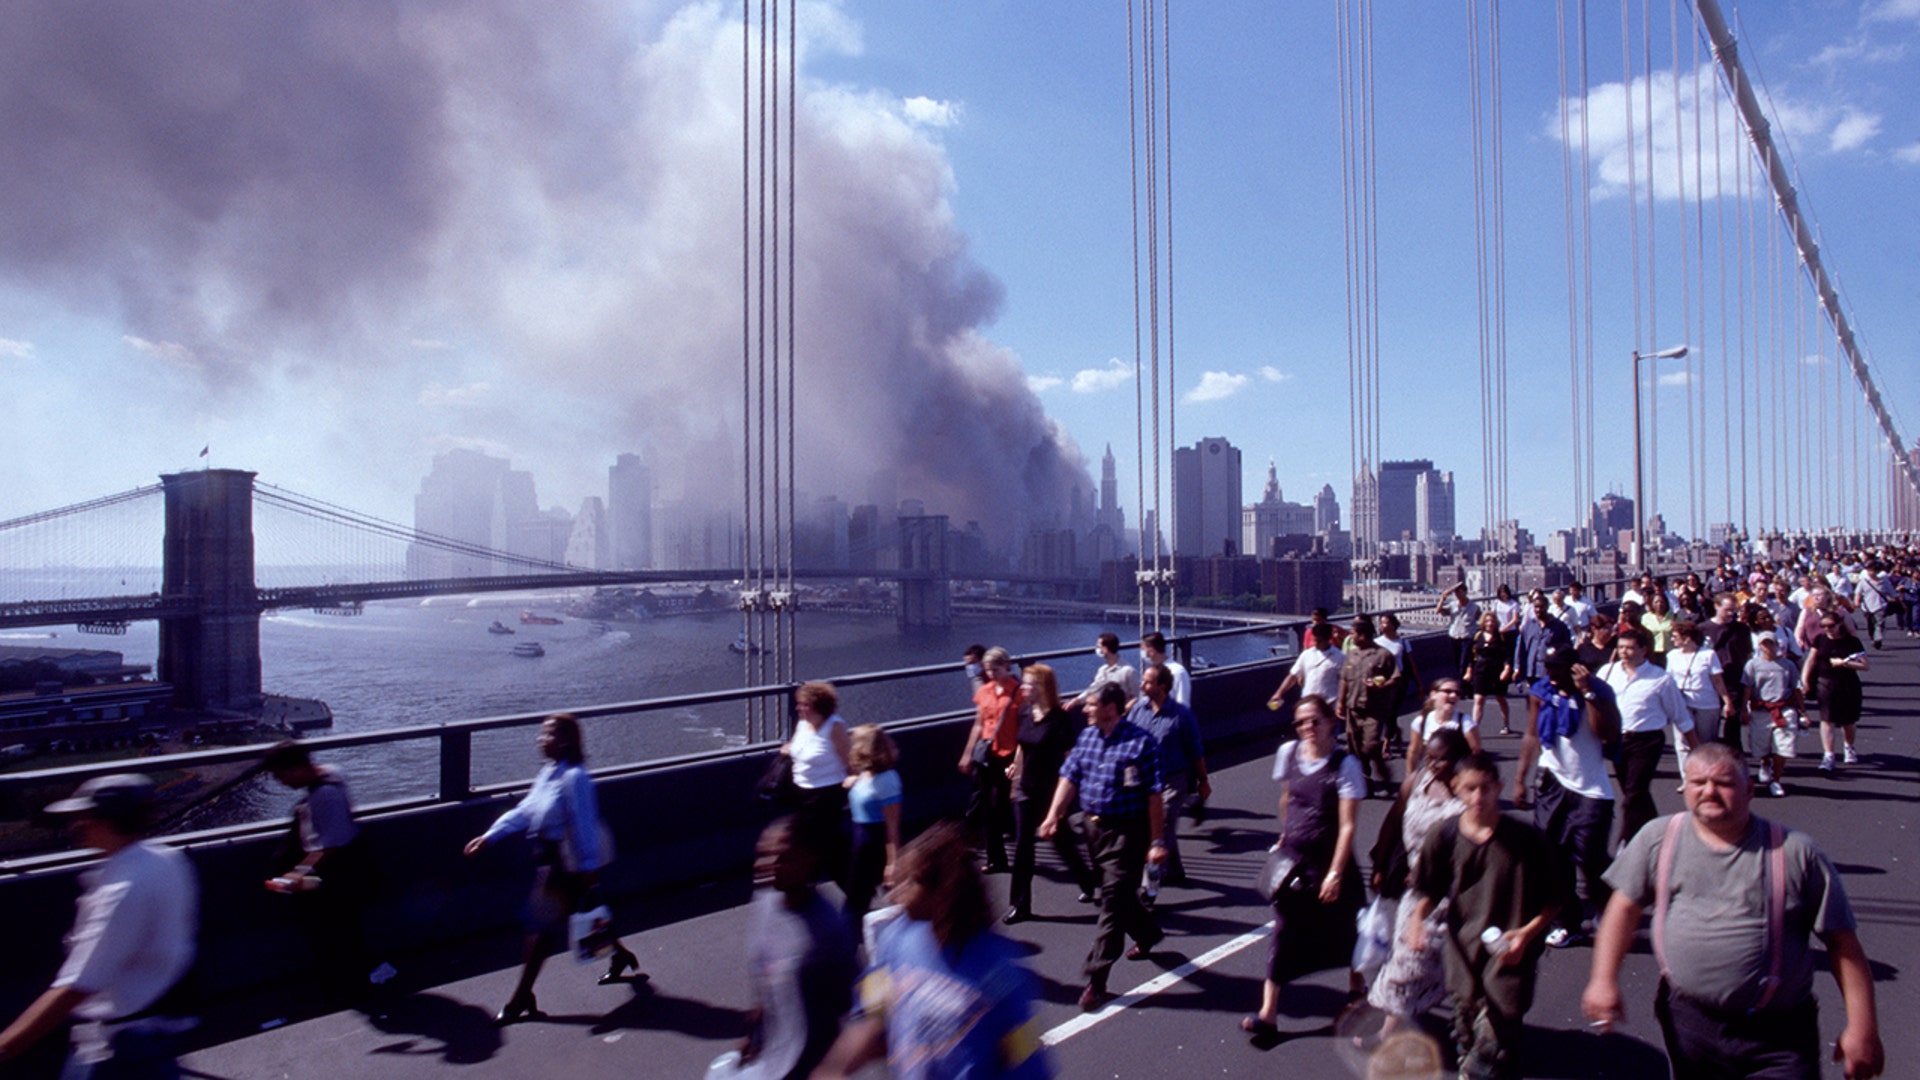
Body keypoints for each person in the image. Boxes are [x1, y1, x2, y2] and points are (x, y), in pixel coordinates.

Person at [1582, 743, 1885, 1080]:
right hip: (1689, 1023)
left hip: (1779, 1034)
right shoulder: (1658, 839)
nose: (1709, 792)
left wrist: (1862, 1027)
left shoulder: (1795, 852)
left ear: (1749, 790)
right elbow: (1622, 910)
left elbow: (1843, 944)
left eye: (1723, 783)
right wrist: (1603, 980)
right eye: (1698, 783)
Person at [812, 821, 1052, 1079]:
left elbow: (1028, 1064)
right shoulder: (895, 939)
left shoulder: (999, 973)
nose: (893, 897)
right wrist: (831, 1070)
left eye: (909, 883)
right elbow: (875, 1019)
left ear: (942, 892)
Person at [0, 774, 198, 1077]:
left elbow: (77, 986)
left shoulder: (122, 891)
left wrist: (6, 1046)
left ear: (110, 820)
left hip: (125, 1041)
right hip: (159, 1023)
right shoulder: (167, 860)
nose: (75, 825)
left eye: (84, 817)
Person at [464, 714, 642, 1024]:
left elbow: (584, 825)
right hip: (550, 861)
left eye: (545, 735)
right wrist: (490, 837)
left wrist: (588, 869)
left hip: (567, 865)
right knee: (588, 915)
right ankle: (621, 956)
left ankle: (521, 998)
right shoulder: (548, 774)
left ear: (563, 740)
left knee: (540, 929)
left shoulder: (576, 778)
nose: (539, 741)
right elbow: (524, 812)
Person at [1404, 753, 1559, 1080]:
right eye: (1469, 789)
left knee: (1483, 1060)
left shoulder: (1527, 841)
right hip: (1464, 963)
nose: (1478, 798)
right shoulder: (1443, 836)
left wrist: (1526, 935)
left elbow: (1554, 902)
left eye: (1486, 789)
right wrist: (1416, 921)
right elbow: (1429, 892)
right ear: (1456, 789)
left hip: (1510, 968)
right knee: (1470, 1044)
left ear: (1498, 787)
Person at [1240, 695, 1365, 1044]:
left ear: (1330, 722)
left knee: (1349, 930)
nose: (1307, 728)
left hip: (1330, 863)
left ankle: (1357, 991)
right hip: (1293, 864)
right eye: (1300, 723)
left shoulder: (1345, 765)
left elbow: (1348, 827)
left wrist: (1336, 872)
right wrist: (1284, 835)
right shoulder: (1288, 754)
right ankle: (1269, 1015)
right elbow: (1287, 798)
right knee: (1284, 931)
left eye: (1314, 721)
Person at [1038, 682, 1167, 1011]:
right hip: (1091, 829)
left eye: (1091, 704)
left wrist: (1156, 841)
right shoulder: (1087, 738)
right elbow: (1069, 777)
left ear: (1111, 708)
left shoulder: (1141, 744)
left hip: (1127, 832)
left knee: (1111, 899)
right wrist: (1055, 815)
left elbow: (1154, 796)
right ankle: (1147, 932)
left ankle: (1097, 980)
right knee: (1119, 895)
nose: (1084, 709)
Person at [731, 817, 857, 1080]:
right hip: (770, 1065)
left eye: (781, 857)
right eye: (764, 855)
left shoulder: (828, 932)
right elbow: (764, 975)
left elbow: (856, 1010)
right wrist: (754, 1033)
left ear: (808, 860)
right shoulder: (765, 902)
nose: (765, 865)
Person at [1365, 728, 1469, 1040]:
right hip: (1414, 889)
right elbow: (1394, 821)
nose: (1434, 766)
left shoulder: (1467, 797)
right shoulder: (1417, 782)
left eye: (1442, 760)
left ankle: (1387, 1035)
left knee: (1411, 961)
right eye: (1430, 757)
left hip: (1446, 893)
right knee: (1410, 957)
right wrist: (1381, 864)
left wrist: (1433, 872)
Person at [1514, 647, 1619, 947]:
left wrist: (1587, 694)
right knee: (1553, 859)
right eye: (1547, 668)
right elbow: (1532, 734)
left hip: (1590, 788)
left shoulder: (1600, 692)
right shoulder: (1541, 692)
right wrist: (1521, 779)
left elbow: (1608, 733)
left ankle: (1610, 908)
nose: (1551, 675)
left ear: (1576, 668)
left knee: (1590, 858)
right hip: (1552, 783)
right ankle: (1568, 922)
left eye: (1558, 668)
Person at [263, 739, 374, 1005]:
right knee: (345, 929)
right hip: (346, 871)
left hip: (338, 875)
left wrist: (297, 874)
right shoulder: (332, 773)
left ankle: (347, 987)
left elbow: (331, 845)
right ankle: (349, 983)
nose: (283, 784)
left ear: (297, 768)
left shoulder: (325, 795)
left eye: (282, 776)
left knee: (335, 929)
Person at [1005, 663, 1098, 923]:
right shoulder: (1024, 713)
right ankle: (1020, 905)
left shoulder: (1059, 719)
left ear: (1043, 687)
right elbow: (1023, 745)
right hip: (1026, 790)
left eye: (1029, 684)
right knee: (1023, 845)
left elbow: (1070, 758)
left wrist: (1070, 795)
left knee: (1062, 842)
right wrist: (1016, 766)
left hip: (1051, 793)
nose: (1024, 688)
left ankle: (1087, 881)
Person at [1597, 627, 1697, 846]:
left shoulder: (1660, 679)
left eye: (1630, 648)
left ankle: (1628, 843)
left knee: (1634, 793)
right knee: (1636, 795)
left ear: (1644, 650)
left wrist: (1697, 752)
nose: (1624, 652)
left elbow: (1681, 717)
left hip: (1646, 742)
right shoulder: (1608, 672)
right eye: (1621, 647)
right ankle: (1657, 836)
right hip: (1617, 741)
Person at [1127, 663, 1210, 889]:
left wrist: (1203, 781)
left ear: (1162, 686)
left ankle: (1150, 886)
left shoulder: (1181, 715)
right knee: (1156, 828)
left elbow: (1195, 751)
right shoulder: (1137, 710)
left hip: (1172, 781)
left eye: (1147, 682)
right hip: (1144, 781)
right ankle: (1175, 871)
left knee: (1160, 829)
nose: (1142, 685)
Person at [959, 647, 1020, 873]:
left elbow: (1024, 728)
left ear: (1006, 666)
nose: (991, 674)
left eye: (996, 669)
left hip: (1010, 756)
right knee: (988, 808)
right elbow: (979, 723)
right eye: (988, 670)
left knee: (1002, 805)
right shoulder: (984, 692)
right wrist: (967, 753)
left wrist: (1019, 760)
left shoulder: (1018, 692)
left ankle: (1022, 848)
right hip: (988, 756)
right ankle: (997, 859)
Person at [786, 682, 853, 884]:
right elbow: (800, 748)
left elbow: (850, 760)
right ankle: (810, 880)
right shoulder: (802, 724)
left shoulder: (835, 727)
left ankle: (850, 889)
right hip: (801, 792)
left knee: (823, 843)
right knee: (808, 841)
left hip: (826, 794)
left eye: (803, 704)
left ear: (818, 706)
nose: (798, 708)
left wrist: (853, 781)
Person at [842, 725, 903, 930]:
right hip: (859, 846)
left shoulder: (887, 781)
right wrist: (854, 781)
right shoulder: (865, 774)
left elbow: (892, 827)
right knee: (857, 902)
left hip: (874, 848)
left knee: (855, 906)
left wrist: (892, 864)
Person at [1335, 616, 1399, 795]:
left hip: (1374, 710)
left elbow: (1396, 678)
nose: (1351, 636)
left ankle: (1384, 775)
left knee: (1370, 746)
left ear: (1363, 635)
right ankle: (1365, 784)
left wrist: (1381, 685)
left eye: (1353, 633)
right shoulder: (1352, 655)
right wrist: (1341, 702)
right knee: (1355, 750)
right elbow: (1344, 679)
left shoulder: (1383, 655)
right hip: (1353, 709)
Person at [1803, 610, 1868, 774]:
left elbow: (1865, 665)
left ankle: (1849, 746)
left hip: (1848, 684)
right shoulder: (1821, 640)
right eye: (1823, 626)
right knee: (1827, 720)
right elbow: (1810, 661)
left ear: (1839, 624)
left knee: (1848, 721)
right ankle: (1829, 755)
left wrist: (1845, 664)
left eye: (1831, 626)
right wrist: (1804, 680)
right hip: (1825, 682)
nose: (1827, 629)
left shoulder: (1852, 642)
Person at [1667, 623, 1734, 768]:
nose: (1672, 640)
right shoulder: (1672, 656)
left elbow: (1717, 680)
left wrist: (1727, 702)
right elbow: (1669, 681)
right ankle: (1687, 779)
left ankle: (1704, 774)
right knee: (1683, 742)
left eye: (1675, 637)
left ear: (1687, 639)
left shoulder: (1708, 655)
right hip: (1682, 703)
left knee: (1705, 743)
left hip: (1707, 703)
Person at [1745, 632, 1803, 798]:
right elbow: (1747, 687)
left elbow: (1796, 688)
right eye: (1765, 644)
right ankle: (1765, 762)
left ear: (1777, 645)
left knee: (1783, 746)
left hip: (1784, 709)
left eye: (1771, 643)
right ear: (1760, 646)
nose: (1768, 647)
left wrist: (1803, 712)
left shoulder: (1788, 665)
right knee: (1761, 744)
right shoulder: (1753, 665)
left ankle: (1776, 780)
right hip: (1761, 710)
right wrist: (1744, 709)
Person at [1701, 594, 1753, 747]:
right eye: (1728, 610)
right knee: (1711, 721)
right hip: (1711, 679)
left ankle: (1733, 753)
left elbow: (1747, 654)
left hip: (1734, 677)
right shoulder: (1703, 629)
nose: (1731, 614)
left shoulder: (1741, 629)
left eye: (1734, 610)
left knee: (1732, 720)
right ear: (1717, 606)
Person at [1407, 678, 1481, 768]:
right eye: (1448, 691)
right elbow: (1414, 752)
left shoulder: (1466, 722)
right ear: (1433, 694)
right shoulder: (1421, 722)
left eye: (1458, 693)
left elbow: (1477, 754)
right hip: (1431, 773)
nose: (1454, 695)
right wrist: (1410, 776)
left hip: (1458, 776)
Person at [1271, 622, 1344, 708]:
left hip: (1329, 704)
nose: (1316, 644)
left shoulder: (1340, 657)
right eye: (1314, 640)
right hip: (1308, 702)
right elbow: (1293, 676)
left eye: (1319, 641)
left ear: (1327, 639)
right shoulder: (1306, 654)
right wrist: (1279, 693)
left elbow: (1345, 682)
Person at [1065, 632, 1139, 712]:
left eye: (1099, 646)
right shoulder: (1102, 670)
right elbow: (1093, 690)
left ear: (1105, 649)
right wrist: (1076, 700)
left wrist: (1124, 710)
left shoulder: (1128, 671)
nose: (1097, 649)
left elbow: (1136, 697)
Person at [1467, 610, 1513, 737]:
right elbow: (1471, 656)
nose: (1490, 623)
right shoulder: (1477, 636)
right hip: (1480, 670)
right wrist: (1469, 671)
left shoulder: (1501, 637)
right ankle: (1474, 728)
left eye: (1492, 621)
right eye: (1487, 621)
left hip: (1496, 670)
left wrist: (1507, 669)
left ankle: (1506, 723)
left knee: (1500, 697)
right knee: (1479, 699)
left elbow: (1507, 656)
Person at [1439, 582, 1482, 679]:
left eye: (1460, 592)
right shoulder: (1453, 605)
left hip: (1467, 637)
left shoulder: (1474, 607)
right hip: (1454, 636)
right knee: (1457, 661)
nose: (1458, 595)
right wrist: (1443, 598)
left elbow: (1480, 619)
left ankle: (1463, 683)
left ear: (1466, 592)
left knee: (1464, 661)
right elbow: (1439, 611)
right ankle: (1463, 680)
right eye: (1456, 593)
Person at [1139, 631, 1190, 708]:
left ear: (1151, 651)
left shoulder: (1178, 672)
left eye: (1143, 649)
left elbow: (1183, 703)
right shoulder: (1150, 671)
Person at [1641, 589, 1678, 666]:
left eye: (1662, 602)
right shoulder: (1646, 618)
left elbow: (1683, 632)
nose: (1659, 604)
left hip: (1670, 652)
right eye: (1656, 602)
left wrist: (1676, 627)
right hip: (1653, 653)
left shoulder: (1674, 616)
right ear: (1652, 604)